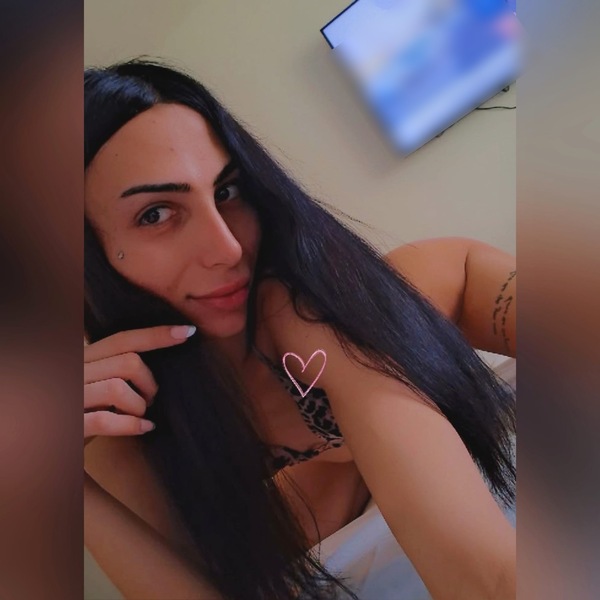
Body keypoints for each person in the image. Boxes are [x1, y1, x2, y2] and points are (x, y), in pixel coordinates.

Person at [84, 58, 516, 600]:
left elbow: (487, 578)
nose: (227, 248)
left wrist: (332, 341)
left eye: (227, 191)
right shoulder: (132, 446)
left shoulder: (418, 287)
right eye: (155, 214)